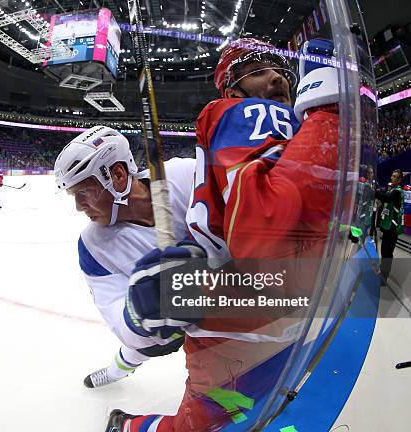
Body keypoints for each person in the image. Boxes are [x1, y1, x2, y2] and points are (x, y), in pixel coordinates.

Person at [107, 38, 340, 431]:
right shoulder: (253, 112)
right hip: (248, 304)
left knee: (215, 420)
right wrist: (329, 112)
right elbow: (266, 231)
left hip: (253, 301)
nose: (276, 78)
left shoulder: (271, 119)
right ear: (233, 90)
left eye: (279, 69)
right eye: (258, 70)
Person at [54, 125, 195, 388]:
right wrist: (141, 313)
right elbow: (121, 322)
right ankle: (115, 372)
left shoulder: (185, 175)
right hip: (166, 332)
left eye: (83, 193)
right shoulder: (92, 246)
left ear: (117, 175)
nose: (78, 207)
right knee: (137, 351)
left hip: (226, 304)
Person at [376, 168, 404, 283]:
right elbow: (387, 202)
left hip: (392, 228)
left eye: (395, 176)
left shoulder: (397, 191)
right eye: (392, 175)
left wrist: (376, 193)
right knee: (384, 251)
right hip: (388, 228)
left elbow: (387, 198)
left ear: (400, 179)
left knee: (387, 253)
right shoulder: (392, 190)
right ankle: (382, 272)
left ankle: (384, 278)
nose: (392, 178)